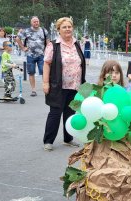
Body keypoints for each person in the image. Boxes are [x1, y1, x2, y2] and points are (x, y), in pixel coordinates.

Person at [42, 17, 86, 151]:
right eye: (64, 27)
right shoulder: (53, 45)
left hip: (75, 85)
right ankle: (48, 141)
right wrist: (45, 82)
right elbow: (47, 63)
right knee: (55, 112)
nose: (67, 29)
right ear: (58, 30)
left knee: (70, 113)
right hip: (58, 85)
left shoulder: (76, 43)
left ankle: (68, 138)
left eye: (69, 27)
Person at [16, 16, 49, 97]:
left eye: (37, 21)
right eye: (34, 21)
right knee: (31, 73)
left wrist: (47, 51)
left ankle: (46, 88)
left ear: (39, 22)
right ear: (31, 23)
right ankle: (33, 90)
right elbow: (17, 38)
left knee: (44, 72)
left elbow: (48, 42)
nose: (36, 23)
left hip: (42, 55)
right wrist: (22, 47)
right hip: (30, 55)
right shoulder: (26, 31)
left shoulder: (44, 30)